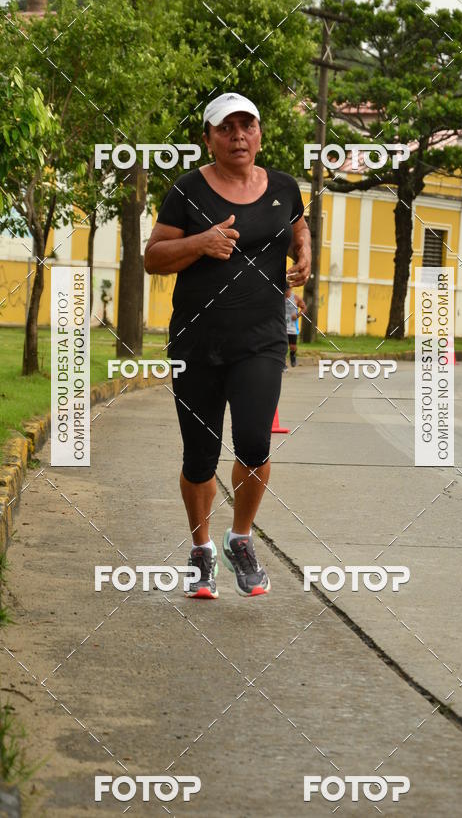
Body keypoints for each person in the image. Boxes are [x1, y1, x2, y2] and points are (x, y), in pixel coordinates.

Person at [144, 92, 311, 599]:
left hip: (261, 340)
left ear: (259, 133)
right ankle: (201, 550)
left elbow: (298, 228)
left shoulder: (283, 188)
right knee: (200, 455)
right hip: (196, 341)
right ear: (209, 138)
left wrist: (304, 251)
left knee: (256, 442)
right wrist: (201, 243)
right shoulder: (187, 191)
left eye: (247, 125)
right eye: (226, 127)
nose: (238, 135)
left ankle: (241, 538)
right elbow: (153, 257)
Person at [284, 284, 306, 368]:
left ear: (291, 289)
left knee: (292, 346)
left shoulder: (296, 298)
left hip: (292, 327)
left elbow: (304, 308)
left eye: (287, 290)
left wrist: (297, 315)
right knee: (283, 346)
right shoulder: (279, 297)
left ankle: (292, 355)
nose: (286, 292)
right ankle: (283, 363)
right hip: (282, 326)